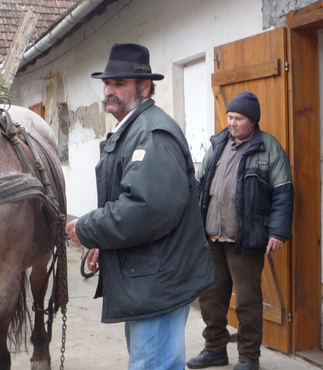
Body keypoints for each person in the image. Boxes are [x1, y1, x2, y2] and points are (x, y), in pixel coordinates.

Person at [65, 43, 213, 370]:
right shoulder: (132, 129)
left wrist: (89, 228)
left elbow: (148, 209)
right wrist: (105, 244)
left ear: (144, 87)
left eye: (119, 83)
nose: (108, 91)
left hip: (156, 280)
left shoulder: (153, 134)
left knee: (152, 365)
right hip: (146, 276)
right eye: (107, 83)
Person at [187, 92, 294, 370]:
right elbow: (199, 186)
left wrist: (278, 232)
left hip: (245, 239)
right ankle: (214, 349)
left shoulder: (269, 148)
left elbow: (284, 193)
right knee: (210, 296)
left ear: (253, 121)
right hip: (212, 236)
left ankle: (248, 357)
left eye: (238, 118)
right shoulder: (218, 143)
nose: (231, 123)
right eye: (230, 117)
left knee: (247, 300)